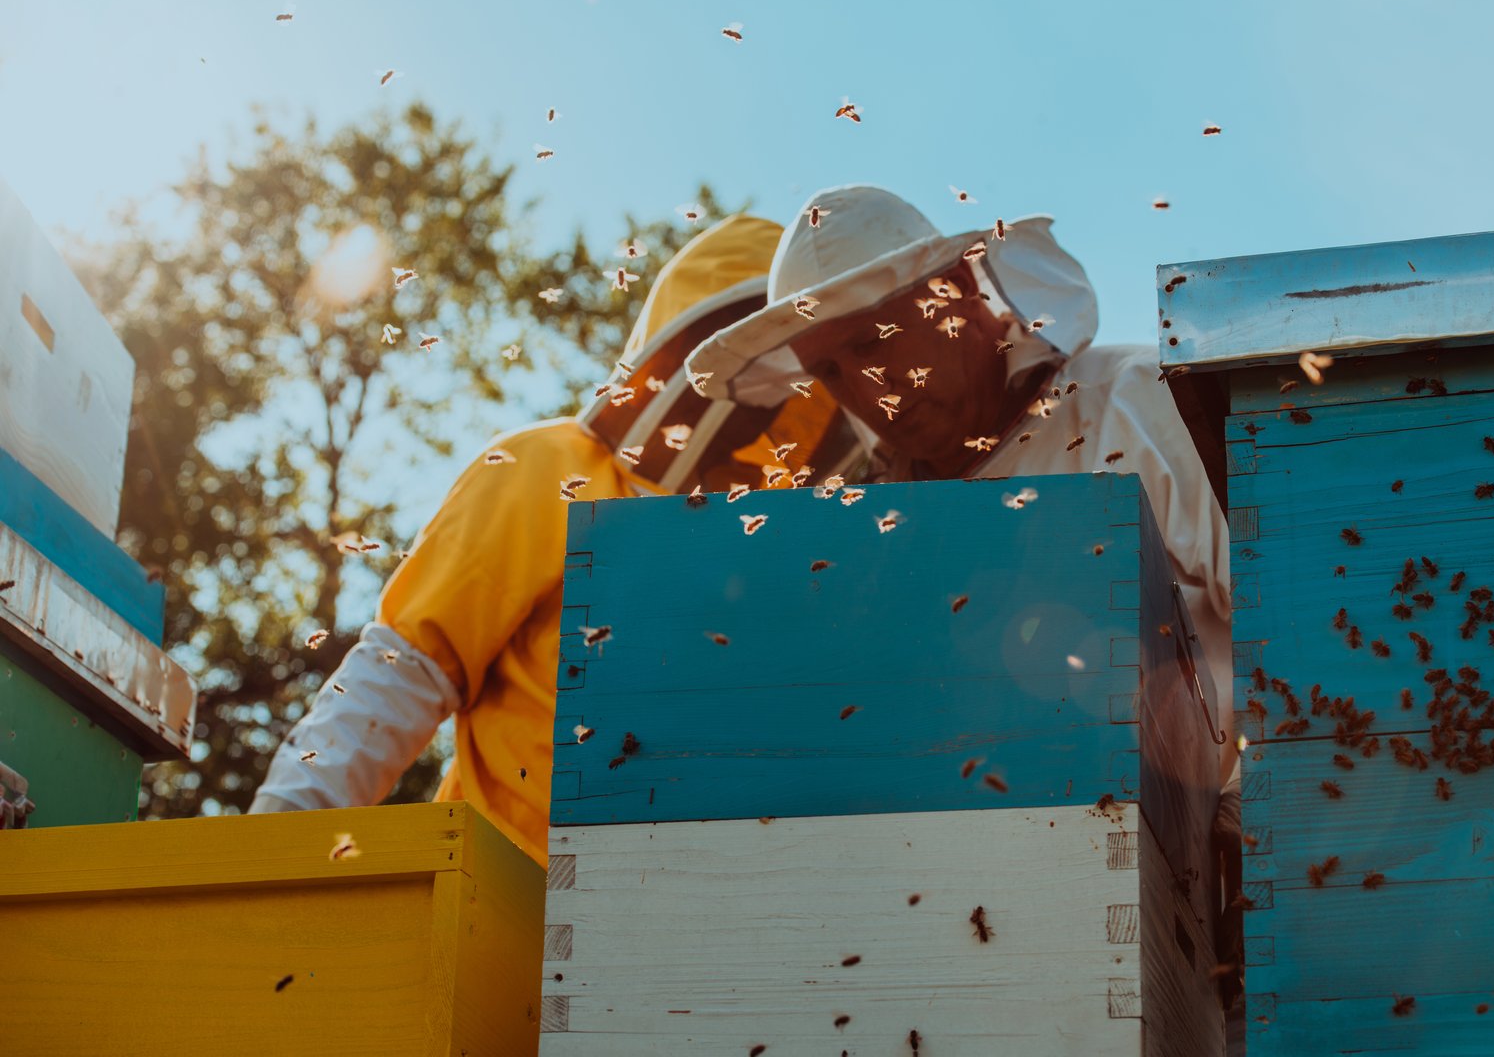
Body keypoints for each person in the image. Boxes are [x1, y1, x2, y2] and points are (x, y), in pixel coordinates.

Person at [684, 184, 1243, 990]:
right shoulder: (869, 537)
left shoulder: (1136, 403)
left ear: (959, 295)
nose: (865, 391)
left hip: (1208, 905)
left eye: (873, 344)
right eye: (830, 370)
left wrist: (1259, 811)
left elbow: (1308, 618)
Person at [247, 215, 860, 869]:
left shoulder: (779, 553)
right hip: (493, 898)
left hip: (675, 921)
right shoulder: (549, 468)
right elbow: (399, 674)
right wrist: (274, 860)